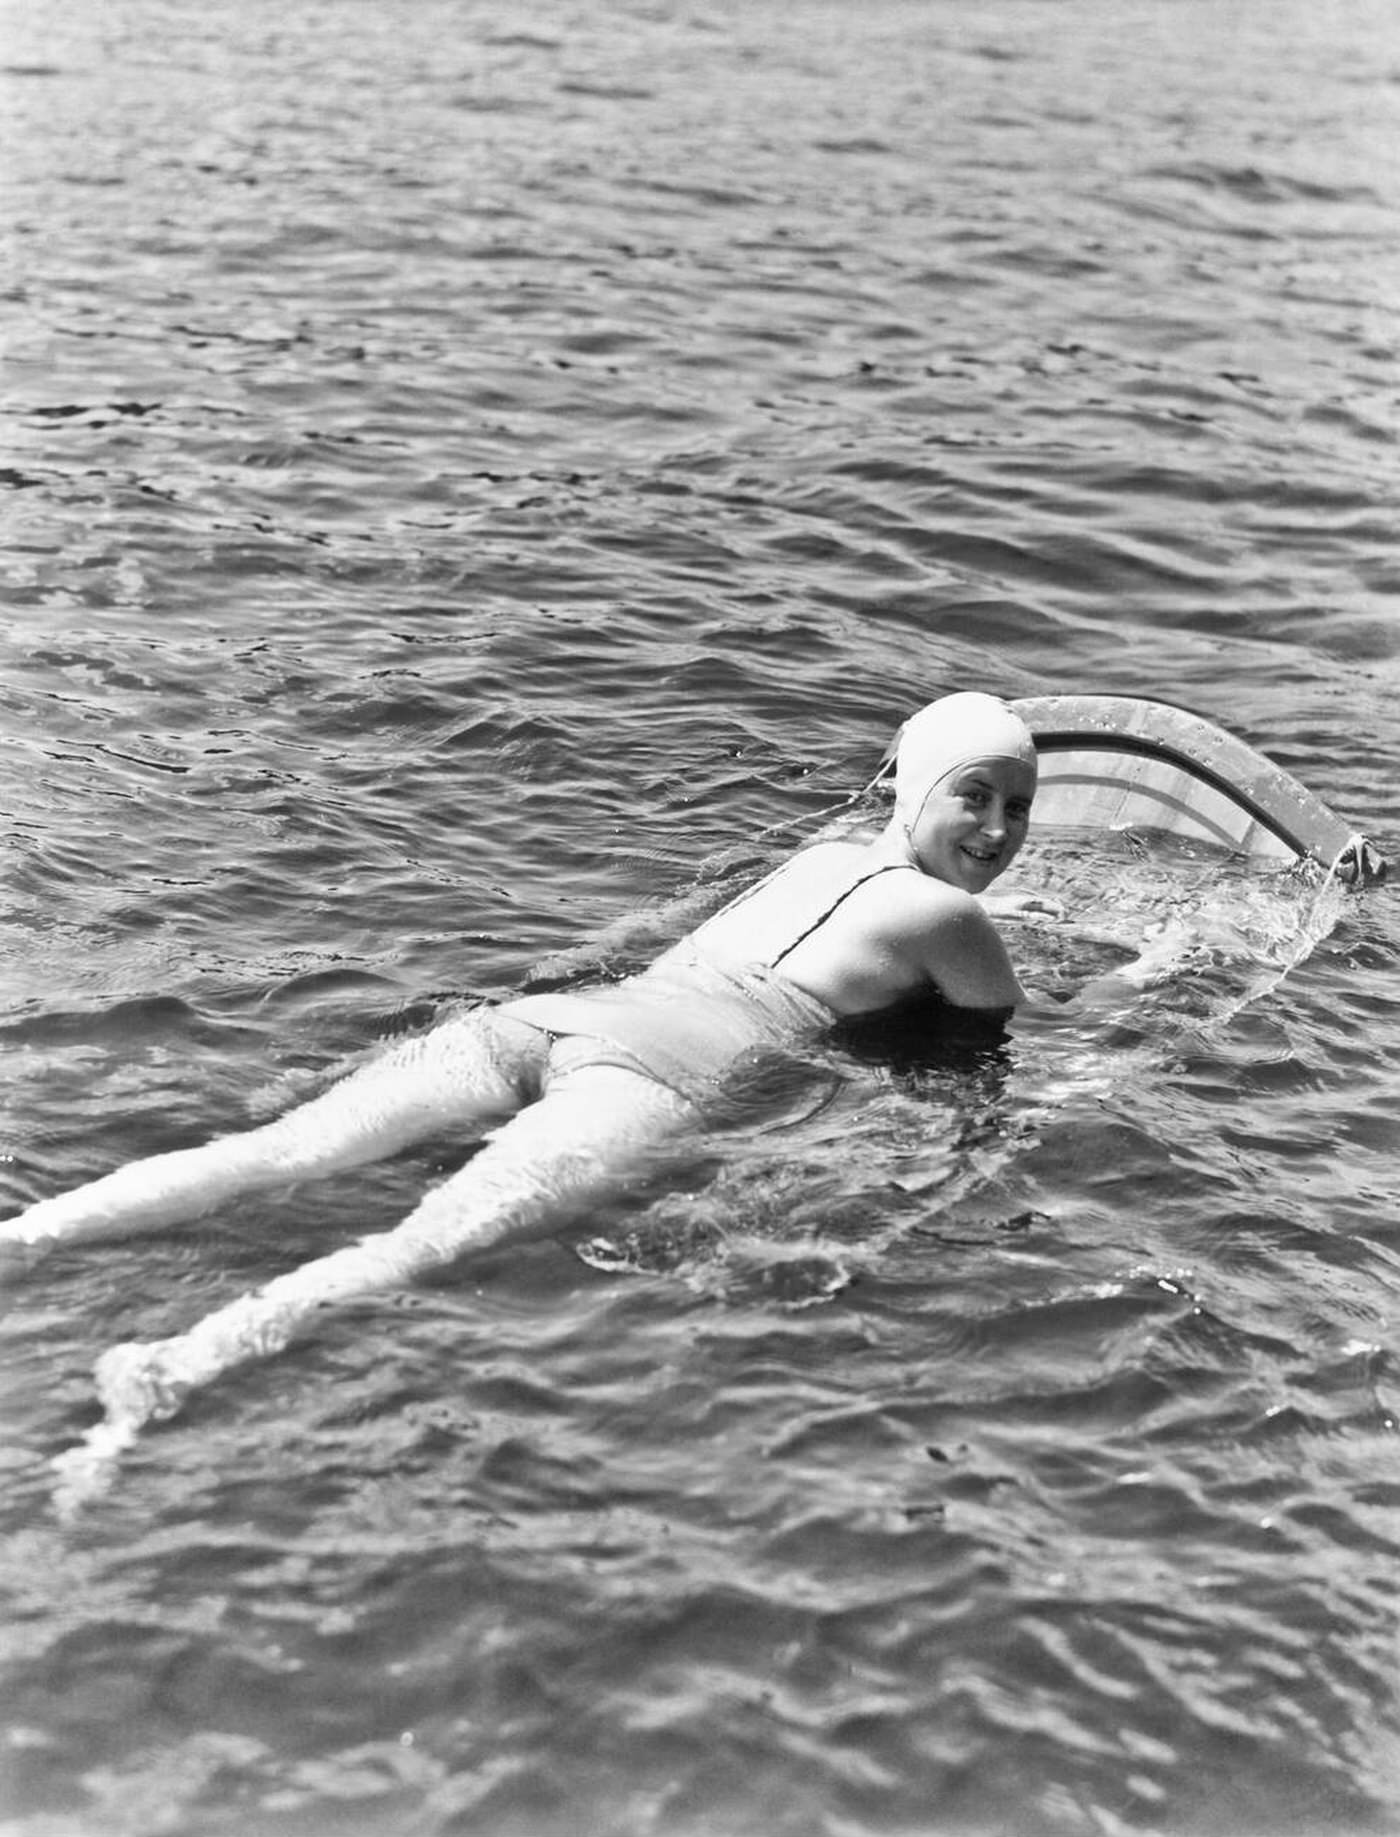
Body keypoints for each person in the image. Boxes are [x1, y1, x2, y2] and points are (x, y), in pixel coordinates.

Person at [2, 692, 1162, 1443]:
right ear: (918, 789)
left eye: (1017, 807)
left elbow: (648, 934)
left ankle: (24, 1241)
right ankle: (171, 1367)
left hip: (548, 1013)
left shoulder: (813, 855)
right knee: (419, 1245)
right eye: (977, 795)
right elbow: (1008, 1030)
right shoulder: (951, 922)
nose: (1000, 829)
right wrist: (1168, 964)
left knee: (274, 1150)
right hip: (652, 1075)